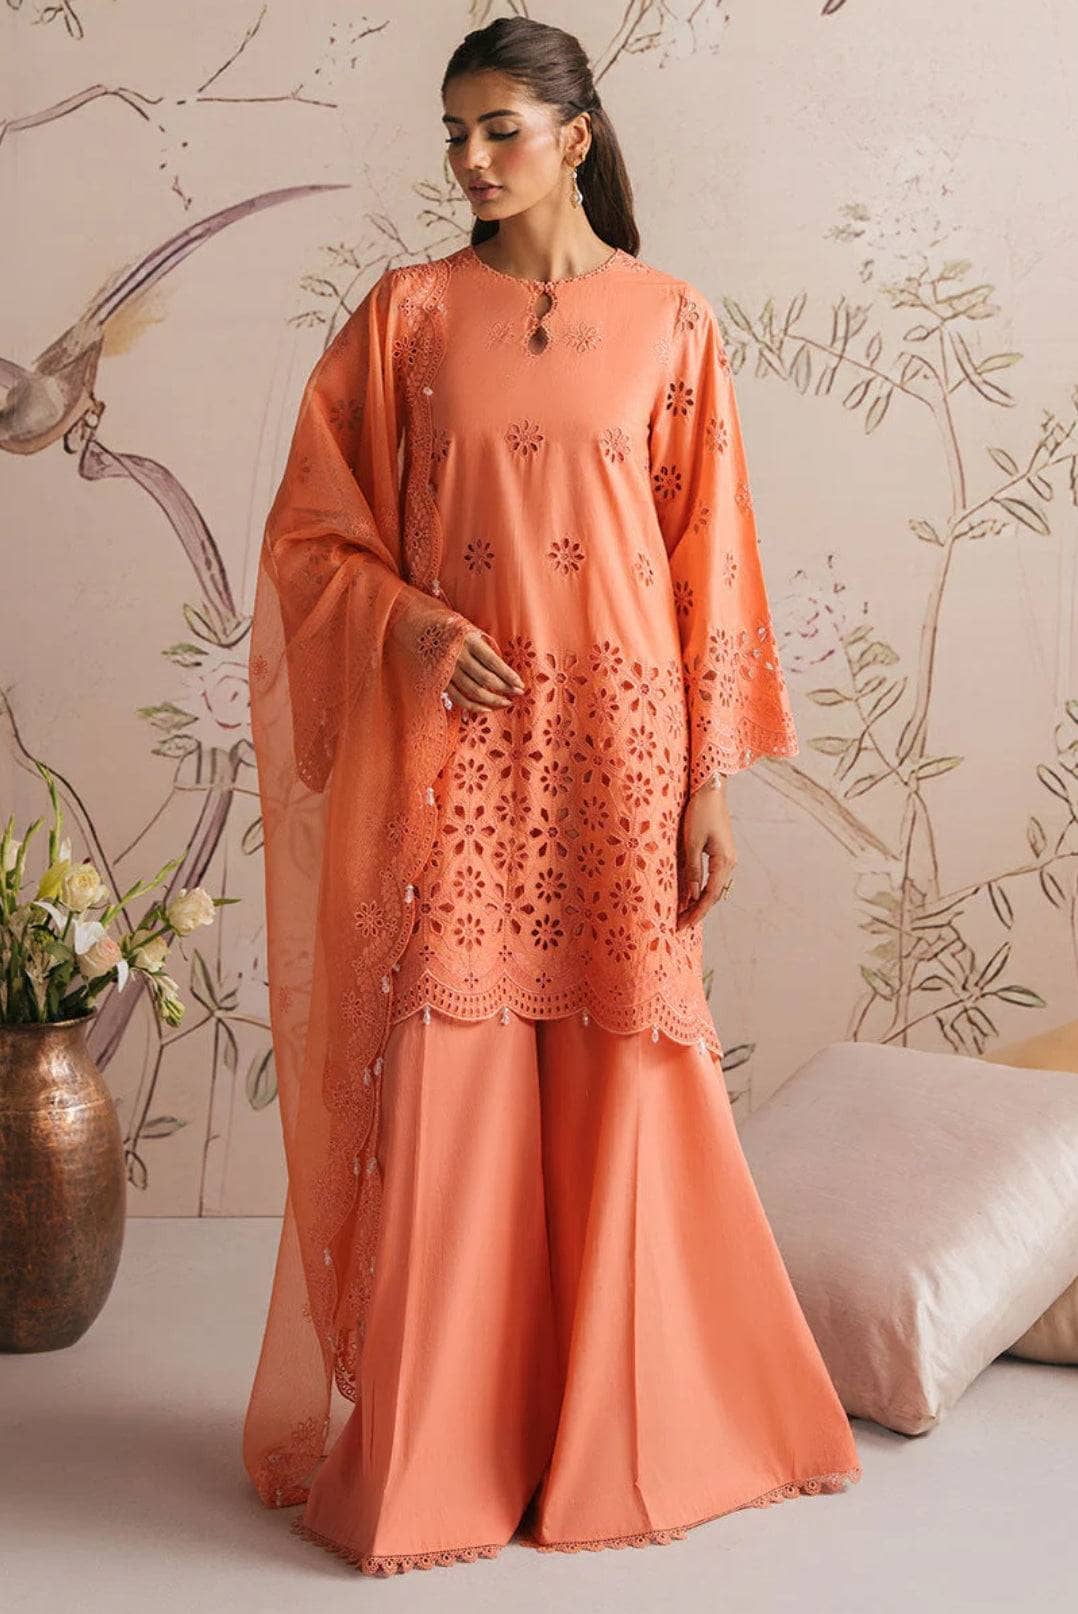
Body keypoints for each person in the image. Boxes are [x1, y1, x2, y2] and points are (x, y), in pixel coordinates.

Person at [242, 14, 863, 1577]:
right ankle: (442, 1457)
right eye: (453, 131)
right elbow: (311, 537)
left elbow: (708, 561)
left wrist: (705, 782)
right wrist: (409, 626)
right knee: (451, 1064)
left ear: (575, 136)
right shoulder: (403, 318)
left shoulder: (672, 322)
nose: (467, 158)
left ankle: (633, 1432)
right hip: (461, 748)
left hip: (618, 746)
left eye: (498, 127)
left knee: (625, 1069)